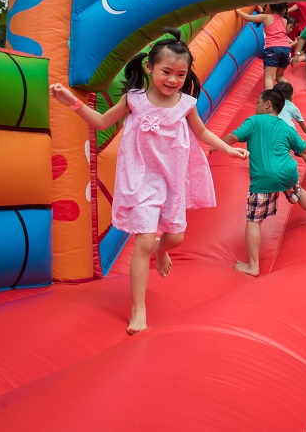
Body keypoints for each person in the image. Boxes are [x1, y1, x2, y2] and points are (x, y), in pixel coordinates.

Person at [49, 30, 248, 334]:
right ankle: (138, 309)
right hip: (140, 178)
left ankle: (162, 248)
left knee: (176, 237)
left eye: (181, 75)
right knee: (141, 241)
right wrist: (71, 103)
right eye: (166, 72)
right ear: (149, 67)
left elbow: (202, 133)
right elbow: (102, 122)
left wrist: (228, 148)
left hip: (172, 178)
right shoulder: (134, 100)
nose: (173, 80)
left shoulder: (186, 104)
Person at [222, 89, 306, 276]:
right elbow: (304, 149)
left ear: (267, 104)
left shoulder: (254, 121)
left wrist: (216, 146)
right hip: (288, 172)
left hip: (264, 178)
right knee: (298, 192)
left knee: (254, 220)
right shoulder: (286, 127)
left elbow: (233, 137)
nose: (255, 106)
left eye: (258, 102)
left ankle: (253, 266)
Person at [237, 3, 294, 90]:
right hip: (286, 49)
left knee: (269, 77)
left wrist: (239, 11)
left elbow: (247, 17)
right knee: (279, 77)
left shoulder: (266, 17)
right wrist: (262, 13)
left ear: (270, 6)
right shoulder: (284, 20)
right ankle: (289, 94)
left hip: (273, 48)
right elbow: (275, 23)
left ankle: (269, 99)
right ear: (284, 9)